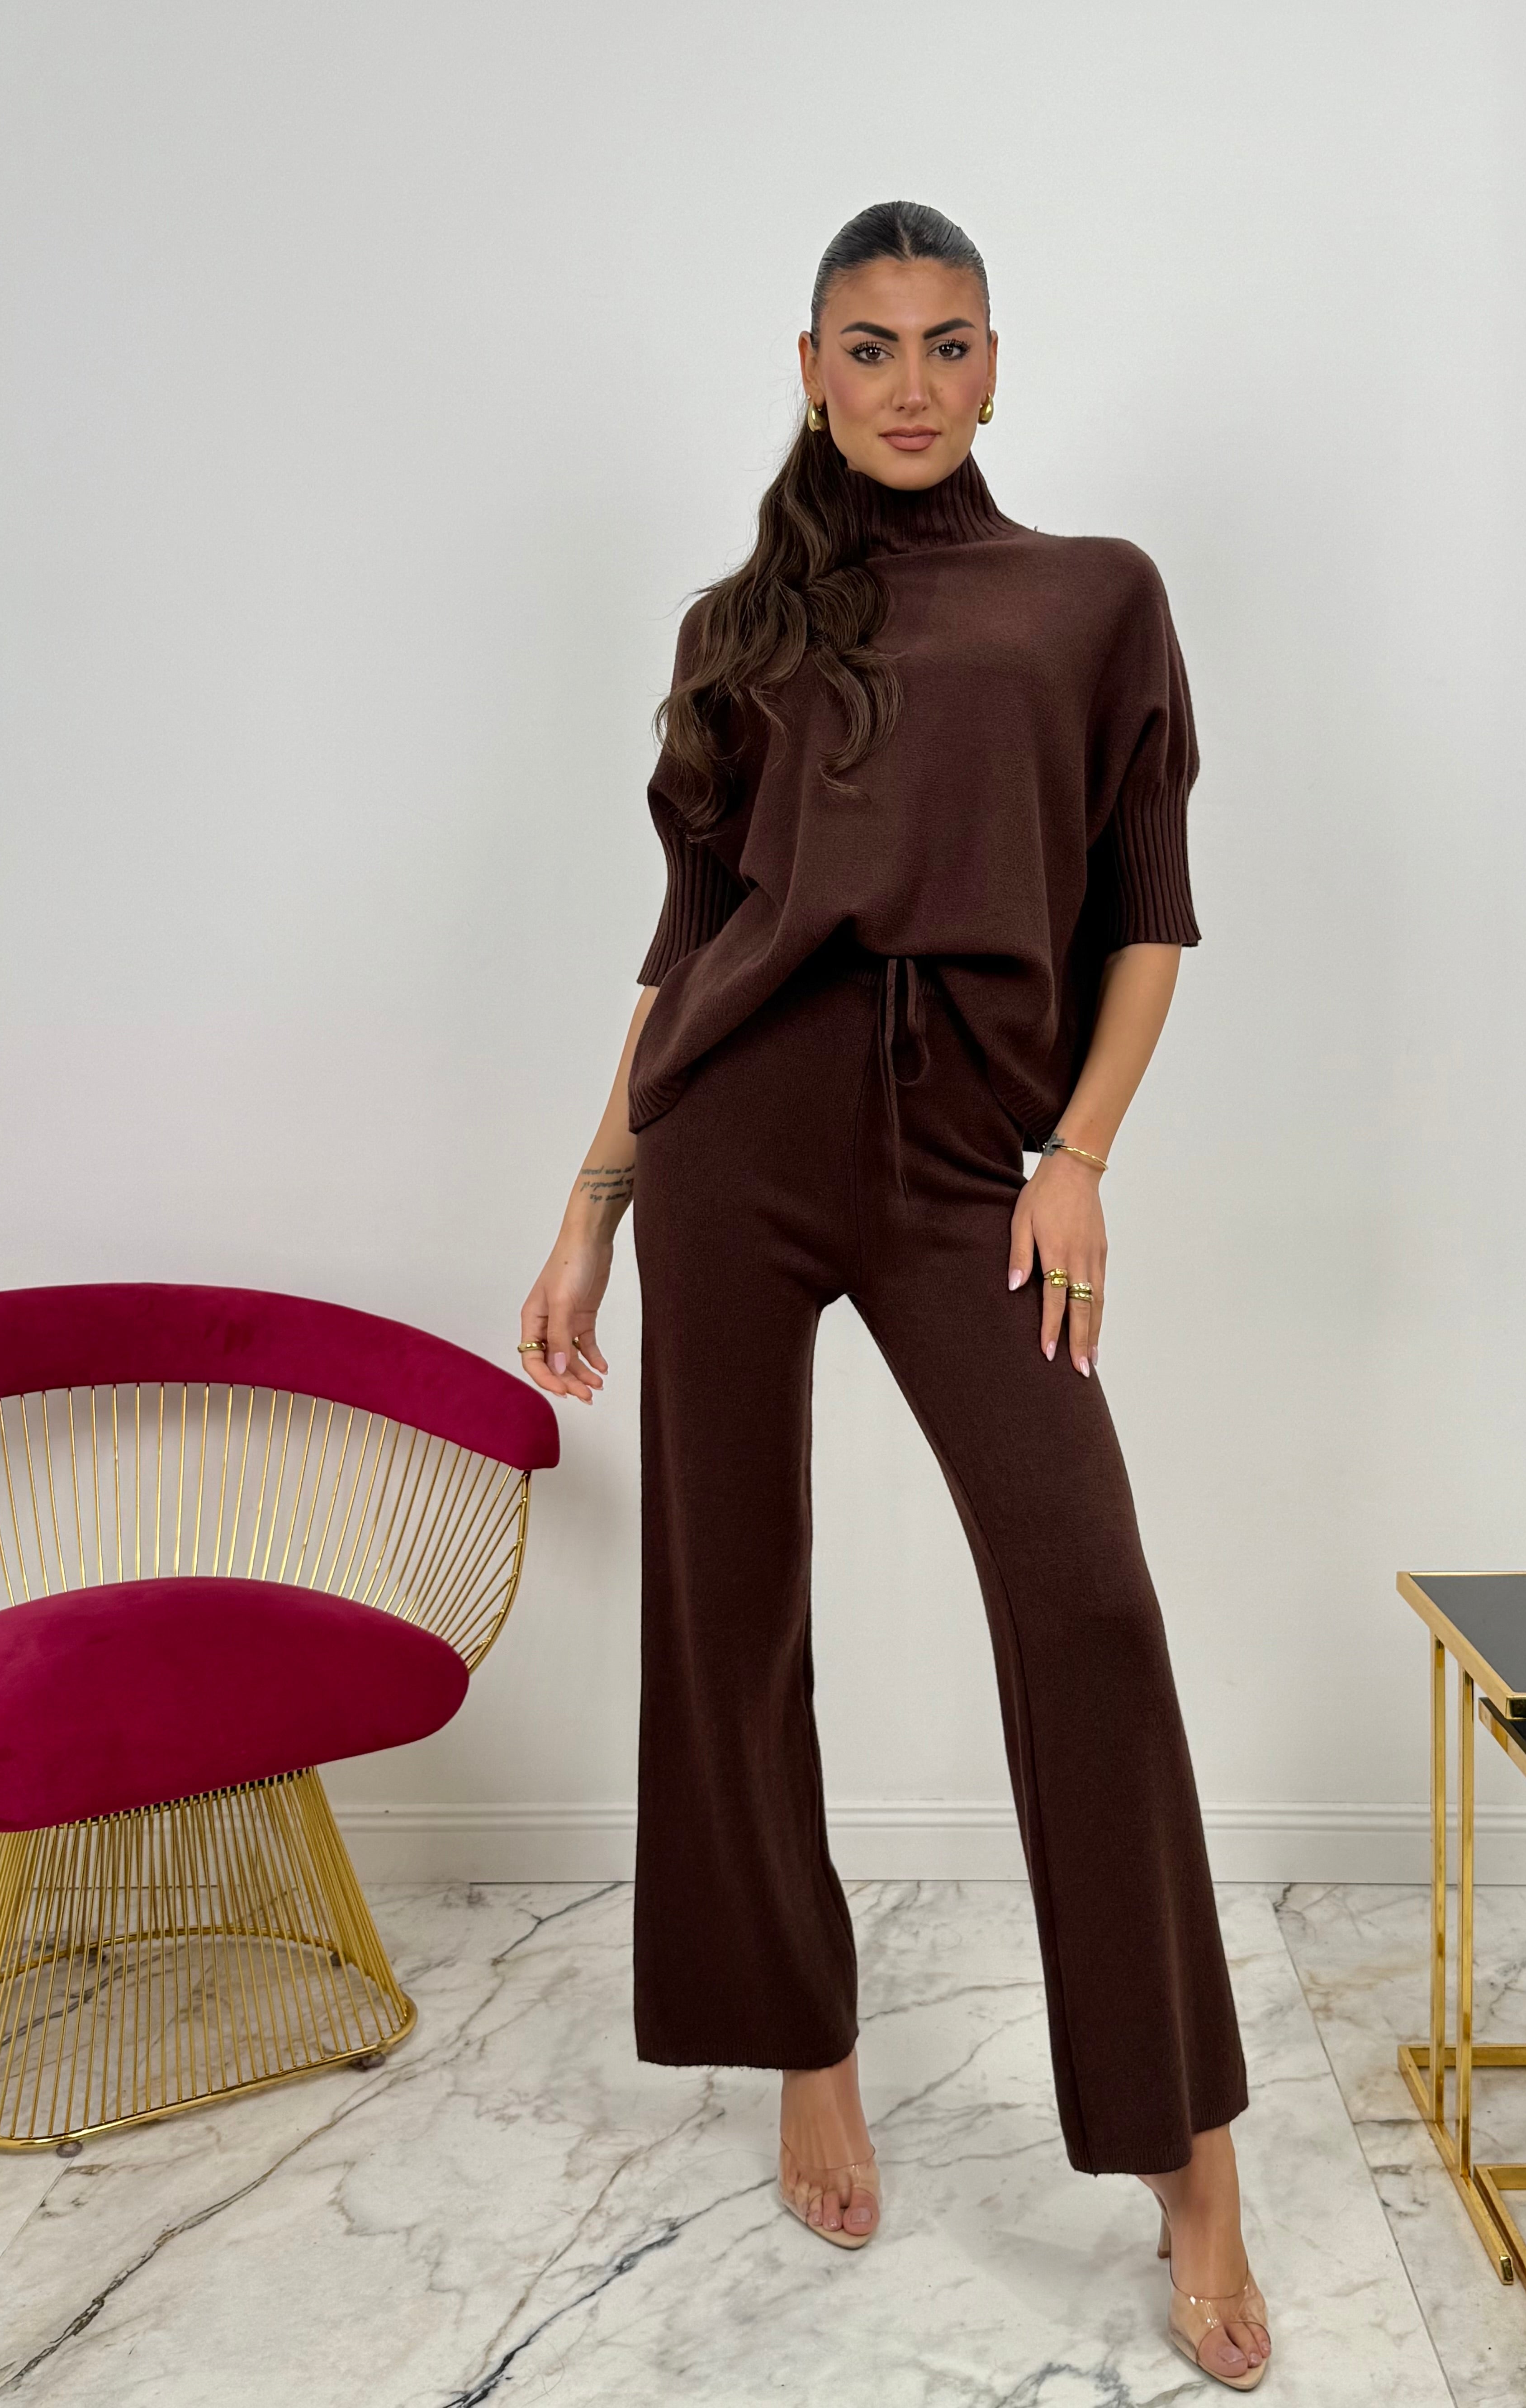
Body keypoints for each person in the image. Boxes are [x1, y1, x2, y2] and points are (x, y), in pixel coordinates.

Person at [518, 201, 1269, 2390]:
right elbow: (687, 949)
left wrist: (1080, 1156)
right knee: (729, 1605)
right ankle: (806, 2045)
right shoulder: (738, 628)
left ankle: (1188, 2150)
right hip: (738, 1141)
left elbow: (1149, 910)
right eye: (872, 347)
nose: (913, 384)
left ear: (998, 365)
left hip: (970, 1161)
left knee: (1088, 1598)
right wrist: (593, 1205)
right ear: (814, 370)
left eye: (949, 344)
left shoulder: (1096, 597)